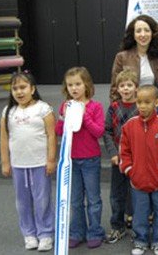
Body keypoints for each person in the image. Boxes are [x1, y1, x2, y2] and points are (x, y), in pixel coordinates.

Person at [0, 71, 56, 252]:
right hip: (19, 165)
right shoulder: (8, 111)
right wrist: (5, 162)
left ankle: (45, 233)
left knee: (42, 200)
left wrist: (50, 159)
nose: (19, 92)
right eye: (15, 88)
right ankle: (29, 234)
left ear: (32, 89)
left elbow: (51, 135)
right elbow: (4, 139)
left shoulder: (43, 108)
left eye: (23, 87)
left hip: (40, 164)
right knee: (22, 202)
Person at [119, 85, 158, 255]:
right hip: (138, 181)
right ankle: (140, 240)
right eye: (139, 102)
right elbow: (124, 150)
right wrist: (130, 169)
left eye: (147, 102)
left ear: (156, 102)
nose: (142, 106)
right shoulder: (129, 126)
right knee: (140, 212)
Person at [55, 66, 105, 249]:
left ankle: (95, 231)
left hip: (91, 159)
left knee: (93, 200)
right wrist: (62, 119)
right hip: (71, 160)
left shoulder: (95, 107)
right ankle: (77, 232)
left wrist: (85, 116)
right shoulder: (65, 106)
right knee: (75, 201)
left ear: (86, 85)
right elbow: (59, 131)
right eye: (70, 85)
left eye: (78, 84)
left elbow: (98, 132)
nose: (74, 88)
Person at [103, 67, 139, 243]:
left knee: (136, 192)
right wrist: (113, 153)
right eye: (122, 85)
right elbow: (107, 131)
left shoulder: (141, 107)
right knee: (117, 194)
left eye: (129, 85)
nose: (125, 89)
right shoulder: (113, 107)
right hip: (118, 159)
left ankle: (137, 225)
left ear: (136, 87)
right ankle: (117, 226)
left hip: (136, 160)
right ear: (117, 89)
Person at [110, 14, 158, 101]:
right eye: (138, 31)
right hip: (129, 108)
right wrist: (117, 110)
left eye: (147, 30)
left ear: (153, 33)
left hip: (153, 107)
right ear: (133, 35)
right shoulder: (122, 57)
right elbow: (115, 89)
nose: (143, 34)